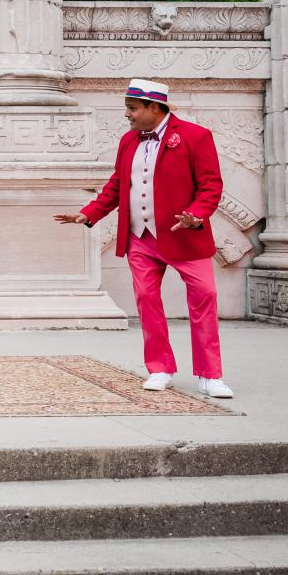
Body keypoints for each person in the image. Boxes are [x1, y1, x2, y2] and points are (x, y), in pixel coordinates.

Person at [53, 79, 234, 399]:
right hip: (140, 238)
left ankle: (210, 375)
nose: (127, 115)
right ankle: (160, 368)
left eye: (132, 109)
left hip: (184, 238)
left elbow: (210, 187)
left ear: (154, 107)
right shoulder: (128, 142)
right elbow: (118, 185)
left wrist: (195, 215)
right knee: (147, 302)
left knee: (204, 297)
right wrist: (89, 212)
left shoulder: (195, 137)